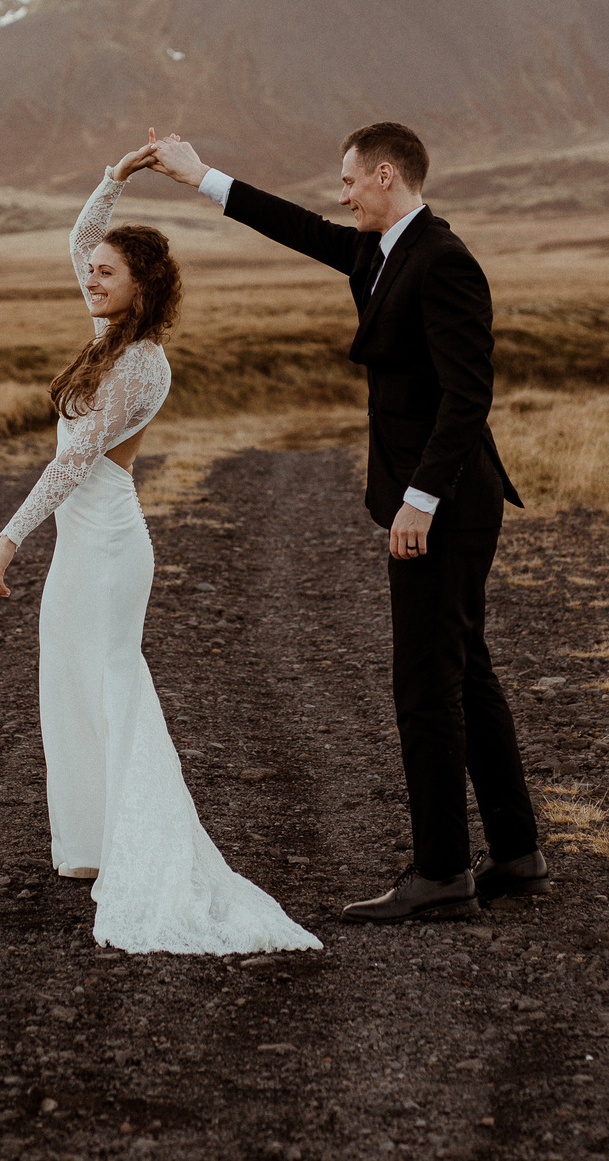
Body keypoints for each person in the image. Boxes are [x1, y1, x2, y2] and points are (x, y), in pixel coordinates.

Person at [143, 122, 544, 923]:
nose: (341, 194)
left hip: (447, 507)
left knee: (427, 687)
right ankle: (516, 851)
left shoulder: (442, 260)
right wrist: (202, 178)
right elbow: (302, 230)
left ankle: (441, 872)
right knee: (466, 669)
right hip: (442, 504)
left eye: (350, 181)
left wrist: (419, 500)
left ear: (386, 174)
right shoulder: (386, 249)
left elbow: (469, 395)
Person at [0, 143, 321, 957]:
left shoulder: (139, 365)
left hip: (106, 546)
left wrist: (7, 538)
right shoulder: (105, 336)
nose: (91, 278)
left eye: (107, 272)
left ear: (141, 284)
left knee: (110, 679)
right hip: (82, 548)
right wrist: (113, 178)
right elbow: (78, 242)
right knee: (67, 676)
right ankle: (93, 844)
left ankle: (144, 846)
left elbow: (73, 462)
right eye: (92, 272)